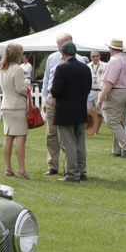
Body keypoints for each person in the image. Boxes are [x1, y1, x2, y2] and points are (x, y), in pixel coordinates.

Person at [49, 42, 91, 182]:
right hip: (80, 109)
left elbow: (56, 90)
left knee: (68, 144)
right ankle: (81, 171)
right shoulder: (85, 68)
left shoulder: (61, 68)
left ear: (62, 53)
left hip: (65, 110)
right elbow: (88, 87)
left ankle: (72, 173)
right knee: (80, 142)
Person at [96, 38, 126, 158]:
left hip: (116, 93)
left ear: (111, 48)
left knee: (111, 121)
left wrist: (100, 98)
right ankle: (116, 150)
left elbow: (109, 82)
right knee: (119, 121)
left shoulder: (114, 61)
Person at [0, 43, 30, 178]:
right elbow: (20, 88)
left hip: (6, 106)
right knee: (21, 137)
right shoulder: (17, 69)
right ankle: (21, 170)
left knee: (8, 137)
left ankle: (8, 168)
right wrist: (28, 89)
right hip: (17, 106)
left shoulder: (1, 69)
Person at [41, 32, 72, 176]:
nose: (61, 48)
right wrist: (45, 99)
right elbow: (46, 78)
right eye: (59, 45)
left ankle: (69, 166)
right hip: (52, 97)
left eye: (64, 45)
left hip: (67, 98)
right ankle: (52, 165)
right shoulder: (52, 58)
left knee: (67, 133)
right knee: (51, 132)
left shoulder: (76, 60)